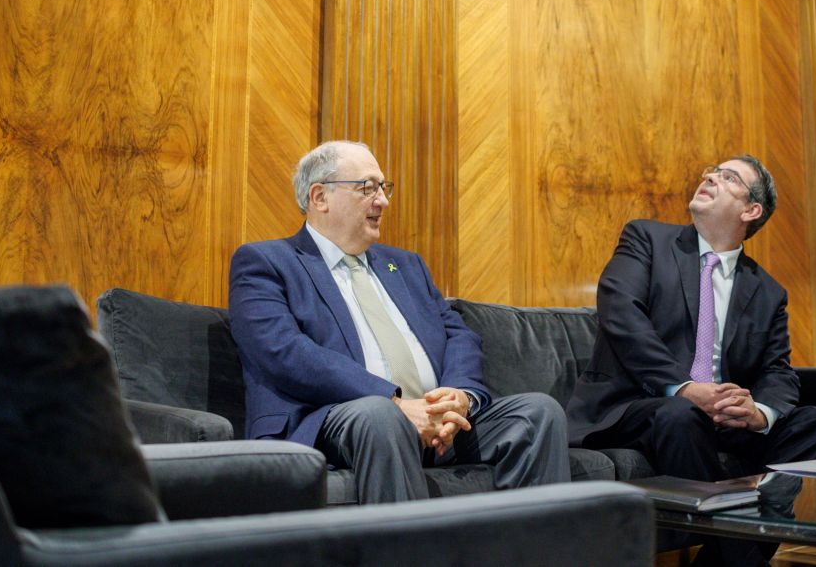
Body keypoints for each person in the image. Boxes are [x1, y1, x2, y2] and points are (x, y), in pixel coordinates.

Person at [228, 140, 570, 504]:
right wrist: (393, 402)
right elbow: (283, 351)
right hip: (333, 421)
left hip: (434, 421)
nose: (383, 201)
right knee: (381, 417)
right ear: (320, 197)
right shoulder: (266, 262)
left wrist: (458, 398)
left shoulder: (406, 265)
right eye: (367, 188)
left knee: (538, 413)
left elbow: (458, 334)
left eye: (383, 187)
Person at [567, 158, 816, 566]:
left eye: (728, 177)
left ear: (751, 210)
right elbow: (621, 315)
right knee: (680, 415)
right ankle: (746, 560)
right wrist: (684, 388)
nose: (711, 177)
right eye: (711, 171)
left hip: (720, 418)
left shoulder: (767, 291)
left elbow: (777, 370)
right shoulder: (647, 239)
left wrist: (758, 412)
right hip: (640, 404)